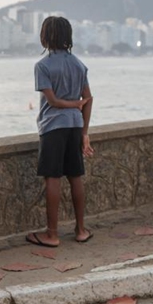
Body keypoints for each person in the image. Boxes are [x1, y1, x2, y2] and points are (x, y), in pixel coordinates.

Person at [27, 16, 94, 248]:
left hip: (53, 127)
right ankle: (81, 229)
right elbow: (89, 99)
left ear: (45, 37)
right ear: (68, 36)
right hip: (75, 126)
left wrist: (72, 104)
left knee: (53, 177)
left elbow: (53, 101)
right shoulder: (78, 64)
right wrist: (84, 132)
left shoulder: (43, 66)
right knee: (76, 176)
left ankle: (52, 234)